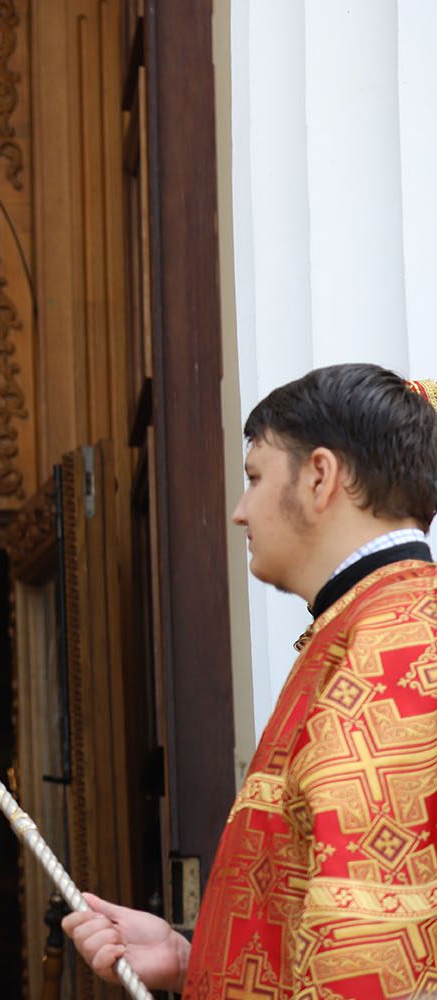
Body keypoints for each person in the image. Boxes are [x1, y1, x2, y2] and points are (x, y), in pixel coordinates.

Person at [64, 365, 437, 999]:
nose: (239, 512)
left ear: (320, 476)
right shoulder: (368, 626)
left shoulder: (395, 650)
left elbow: (368, 947)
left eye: (255, 476)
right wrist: (194, 960)